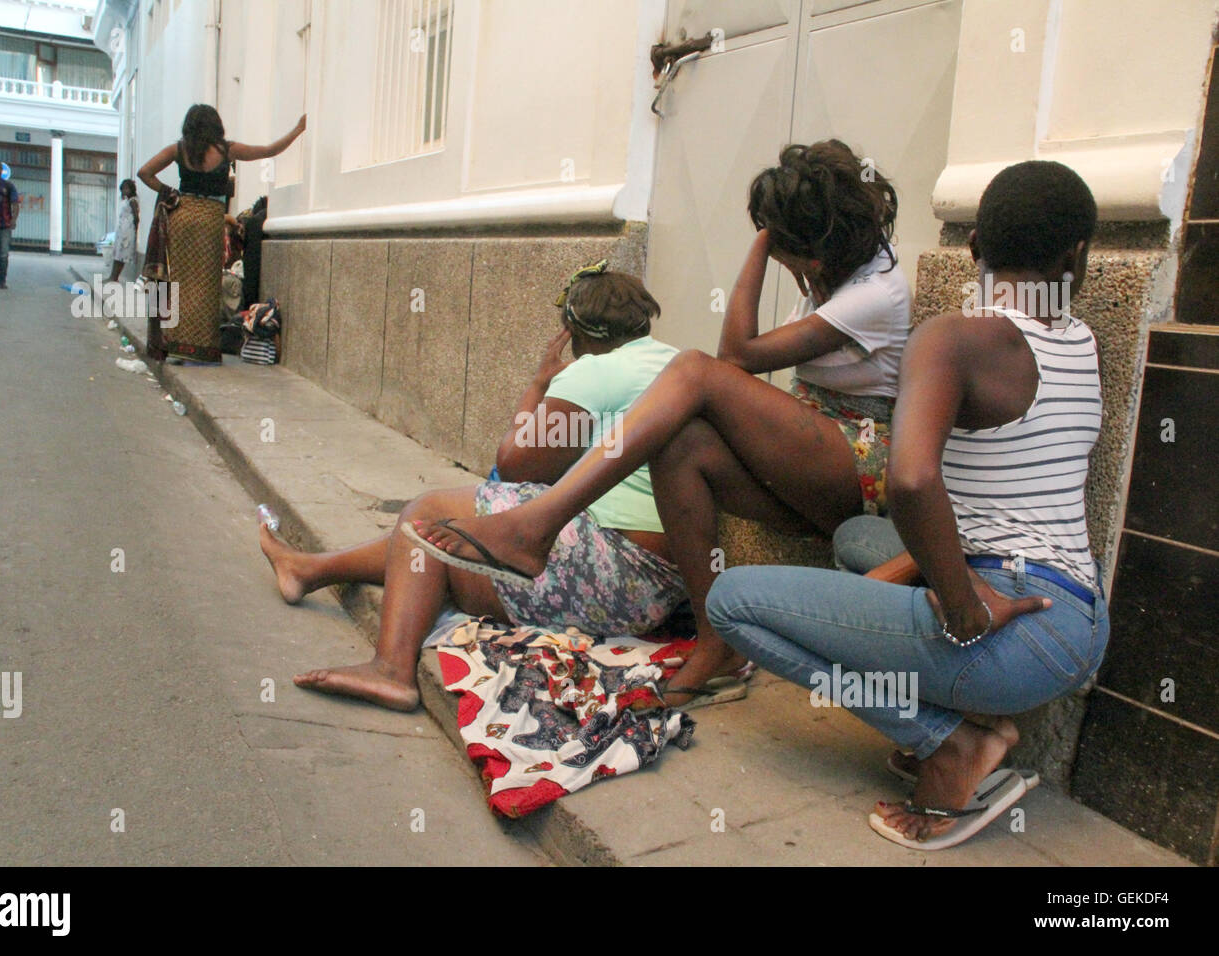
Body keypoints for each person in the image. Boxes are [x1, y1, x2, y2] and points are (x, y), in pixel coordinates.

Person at [408, 140, 911, 706]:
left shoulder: (877, 292)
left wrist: (762, 243)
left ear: (813, 251)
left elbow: (736, 354)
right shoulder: (834, 280)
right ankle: (715, 637)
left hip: (861, 467)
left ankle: (539, 524)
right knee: (680, 443)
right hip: (811, 469)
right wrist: (777, 241)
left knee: (694, 370)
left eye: (785, 246)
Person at [703, 160, 1106, 850]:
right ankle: (941, 679)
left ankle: (949, 745)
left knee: (731, 602)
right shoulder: (1081, 342)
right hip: (1079, 622)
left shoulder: (953, 338)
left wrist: (960, 604)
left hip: (1008, 630)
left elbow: (912, 481)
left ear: (974, 247)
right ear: (1078, 258)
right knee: (861, 536)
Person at [261, 267, 688, 712]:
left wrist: (541, 382)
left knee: (430, 513)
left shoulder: (596, 371)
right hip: (655, 590)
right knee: (436, 548)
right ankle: (311, 570)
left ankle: (391, 669)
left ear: (574, 331)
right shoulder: (671, 362)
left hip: (610, 578)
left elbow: (515, 465)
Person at [137, 105, 304, 363]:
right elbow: (268, 151)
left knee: (180, 283)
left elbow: (144, 173)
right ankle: (202, 347)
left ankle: (177, 342)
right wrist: (297, 130)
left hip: (181, 217)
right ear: (216, 125)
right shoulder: (227, 150)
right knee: (205, 284)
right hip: (210, 221)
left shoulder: (179, 150)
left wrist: (169, 192)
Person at [108, 179, 139, 284]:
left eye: (127, 188)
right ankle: (113, 276)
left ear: (131, 189)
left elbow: (136, 217)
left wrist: (135, 231)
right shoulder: (127, 200)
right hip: (122, 231)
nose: (125, 190)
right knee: (117, 254)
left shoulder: (133, 201)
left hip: (127, 232)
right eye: (123, 188)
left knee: (122, 255)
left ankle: (115, 276)